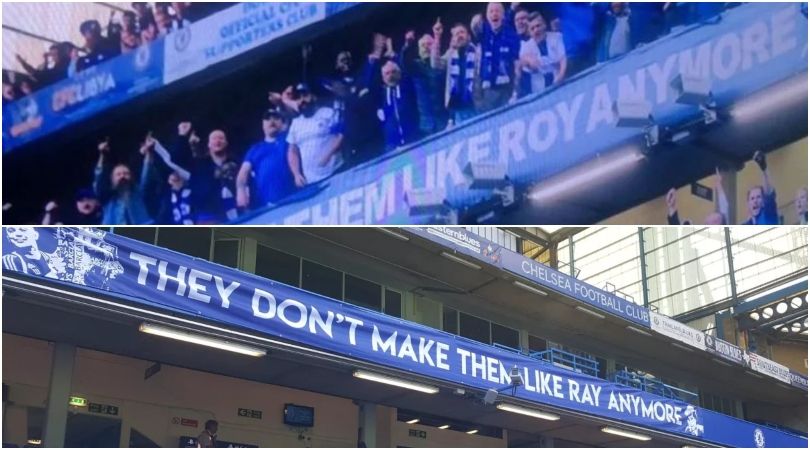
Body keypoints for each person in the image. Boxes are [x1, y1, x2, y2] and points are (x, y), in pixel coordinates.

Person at [236, 108, 298, 211]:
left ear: (282, 122)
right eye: (268, 119)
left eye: (275, 118)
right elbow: (243, 173)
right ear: (262, 125)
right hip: (268, 205)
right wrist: (241, 190)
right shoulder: (255, 149)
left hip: (294, 197)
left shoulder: (288, 138)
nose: (271, 121)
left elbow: (294, 113)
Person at [286, 83, 344, 185]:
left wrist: (328, 155)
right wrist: (296, 173)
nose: (302, 100)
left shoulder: (328, 113)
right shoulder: (295, 123)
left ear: (313, 96)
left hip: (335, 172)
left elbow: (340, 136)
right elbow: (292, 151)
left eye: (305, 96)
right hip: (312, 181)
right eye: (298, 98)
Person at [93, 138, 155, 225]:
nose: (122, 176)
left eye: (126, 174)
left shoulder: (138, 192)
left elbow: (146, 173)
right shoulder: (106, 198)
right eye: (118, 174)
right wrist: (102, 154)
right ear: (112, 179)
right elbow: (98, 177)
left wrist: (148, 153)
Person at [431, 19, 480, 127]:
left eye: (462, 32)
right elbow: (435, 64)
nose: (459, 36)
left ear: (469, 36)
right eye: (456, 34)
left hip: (476, 105)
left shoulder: (477, 52)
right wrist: (437, 37)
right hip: (458, 109)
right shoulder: (450, 55)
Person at [188, 130, 240, 224]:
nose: (217, 141)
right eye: (214, 138)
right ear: (209, 144)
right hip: (210, 216)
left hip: (237, 213)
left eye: (221, 138)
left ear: (226, 143)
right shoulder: (200, 166)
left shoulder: (236, 163)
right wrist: (188, 143)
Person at [476, 2, 521, 112]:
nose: (494, 14)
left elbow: (516, 63)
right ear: (487, 16)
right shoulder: (484, 34)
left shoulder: (510, 34)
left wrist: (516, 90)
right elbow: (474, 27)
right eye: (491, 11)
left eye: (497, 11)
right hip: (488, 91)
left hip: (506, 88)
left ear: (503, 15)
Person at [400, 31, 446, 136]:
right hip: (427, 124)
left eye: (429, 44)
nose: (425, 48)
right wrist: (407, 44)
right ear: (419, 50)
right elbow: (404, 63)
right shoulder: (416, 67)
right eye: (422, 46)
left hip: (444, 117)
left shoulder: (444, 63)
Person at [516, 14, 567, 98]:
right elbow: (522, 62)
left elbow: (563, 59)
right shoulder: (526, 46)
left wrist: (560, 76)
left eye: (538, 26)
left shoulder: (557, 37)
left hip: (560, 84)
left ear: (544, 25)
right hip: (539, 93)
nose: (536, 30)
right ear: (529, 32)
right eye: (532, 28)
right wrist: (527, 60)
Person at [378, 61, 420, 151]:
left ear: (399, 73)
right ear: (383, 77)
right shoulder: (380, 96)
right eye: (387, 73)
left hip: (414, 140)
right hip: (391, 146)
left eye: (393, 72)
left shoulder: (409, 88)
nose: (391, 76)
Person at [742, 151, 779, 225]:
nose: (755, 201)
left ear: (763, 201)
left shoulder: (769, 215)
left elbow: (768, 193)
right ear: (748, 204)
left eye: (758, 197)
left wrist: (764, 169)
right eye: (752, 198)